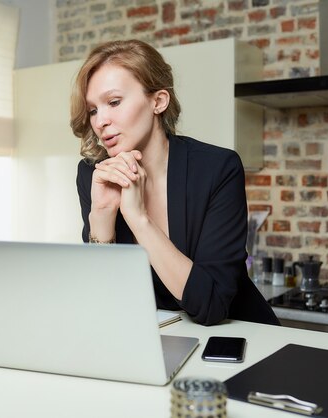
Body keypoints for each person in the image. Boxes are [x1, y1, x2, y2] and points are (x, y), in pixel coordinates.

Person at [70, 39, 279, 326]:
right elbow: (103, 303)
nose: (100, 121)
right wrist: (103, 216)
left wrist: (138, 218)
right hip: (159, 341)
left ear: (158, 101)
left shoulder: (217, 169)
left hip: (242, 339)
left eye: (114, 102)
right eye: (93, 109)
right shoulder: (94, 176)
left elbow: (211, 306)